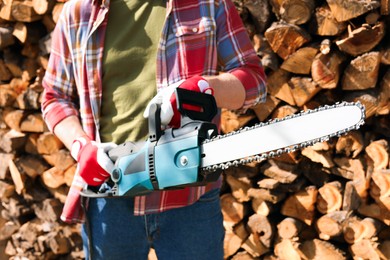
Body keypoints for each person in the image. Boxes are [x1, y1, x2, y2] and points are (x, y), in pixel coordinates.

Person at [41, 0, 267, 259]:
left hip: (190, 198)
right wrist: (80, 145)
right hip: (109, 197)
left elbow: (254, 81)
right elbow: (54, 96)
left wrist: (205, 88)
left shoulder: (208, 4)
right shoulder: (79, 12)